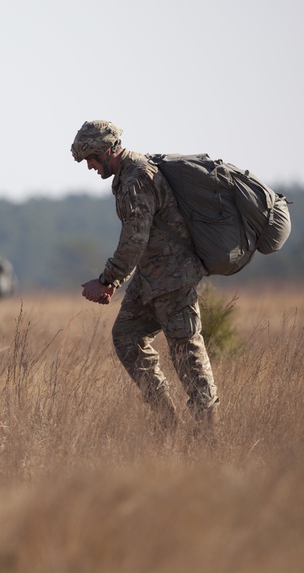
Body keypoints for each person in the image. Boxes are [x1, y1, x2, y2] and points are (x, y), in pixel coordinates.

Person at [71, 120, 219, 431]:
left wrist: (108, 280)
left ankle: (208, 433)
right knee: (126, 336)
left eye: (91, 160)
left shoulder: (137, 177)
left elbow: (134, 238)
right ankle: (168, 423)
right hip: (151, 276)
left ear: (106, 151)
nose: (90, 167)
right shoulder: (127, 175)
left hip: (174, 277)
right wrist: (114, 280)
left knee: (186, 351)